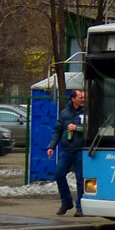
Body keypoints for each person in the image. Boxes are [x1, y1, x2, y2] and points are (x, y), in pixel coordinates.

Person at [47, 89, 86, 217]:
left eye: (84, 97)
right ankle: (66, 202)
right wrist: (51, 146)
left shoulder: (87, 112)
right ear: (73, 99)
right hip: (66, 150)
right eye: (80, 97)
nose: (83, 100)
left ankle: (80, 207)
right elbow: (57, 131)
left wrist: (78, 128)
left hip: (80, 150)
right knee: (59, 174)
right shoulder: (64, 113)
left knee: (80, 179)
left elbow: (91, 129)